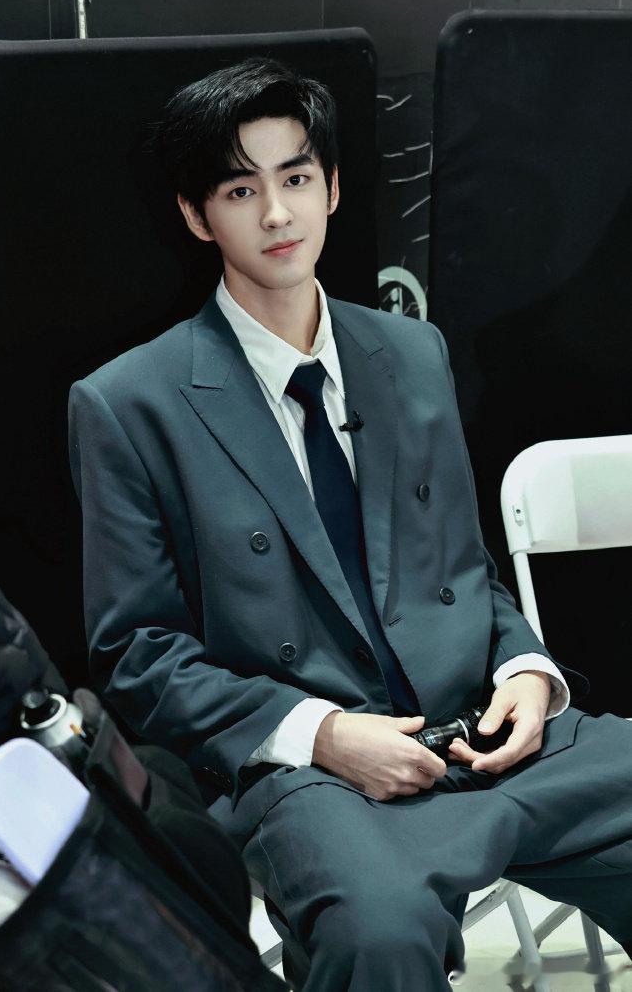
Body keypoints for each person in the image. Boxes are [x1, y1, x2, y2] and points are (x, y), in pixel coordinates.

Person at [68, 57, 632, 990]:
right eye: (240, 190)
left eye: (295, 177)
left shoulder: (412, 351)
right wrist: (323, 734)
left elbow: (468, 572)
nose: (277, 214)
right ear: (196, 216)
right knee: (379, 929)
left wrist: (528, 673)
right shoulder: (130, 403)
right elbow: (137, 655)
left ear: (332, 186)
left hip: (484, 736)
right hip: (313, 774)